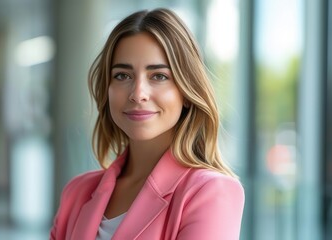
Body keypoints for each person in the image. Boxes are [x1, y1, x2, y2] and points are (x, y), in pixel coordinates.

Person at [50, 8, 244, 240]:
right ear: (107, 90)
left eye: (159, 76)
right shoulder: (77, 192)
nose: (138, 93)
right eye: (122, 75)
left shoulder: (211, 192)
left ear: (186, 92)